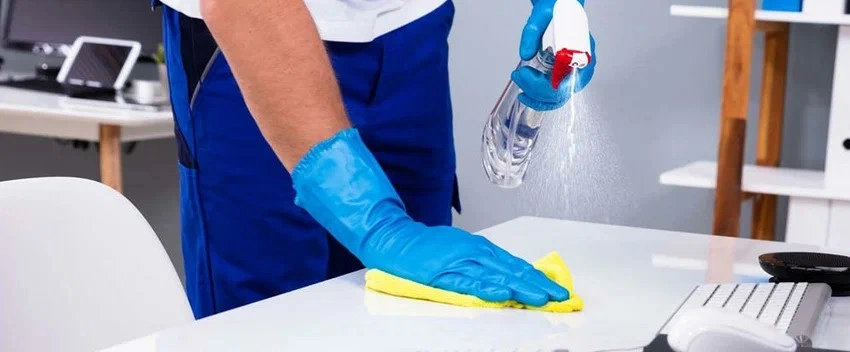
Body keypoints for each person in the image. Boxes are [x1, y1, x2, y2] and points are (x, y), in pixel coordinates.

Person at [155, 0, 597, 319]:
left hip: (410, 28)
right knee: (263, 334)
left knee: (416, 317)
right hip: (257, 35)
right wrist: (376, 224)